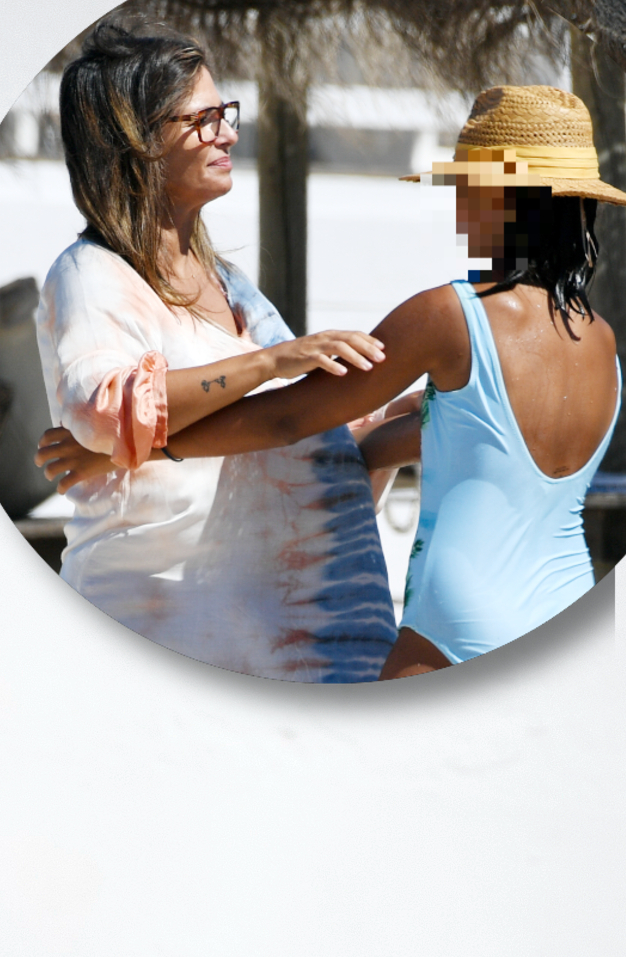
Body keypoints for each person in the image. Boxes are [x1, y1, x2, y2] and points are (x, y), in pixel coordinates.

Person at [41, 85, 623, 680]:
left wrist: (139, 449)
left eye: (464, 191)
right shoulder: (601, 342)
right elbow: (457, 455)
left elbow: (289, 417)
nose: (457, 210)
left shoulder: (448, 316)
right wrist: (394, 423)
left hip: (455, 623)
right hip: (567, 607)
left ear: (502, 200)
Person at [29, 18, 398, 682]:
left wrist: (404, 424)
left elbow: (300, 439)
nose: (228, 133)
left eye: (225, 113)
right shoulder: (91, 277)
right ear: (138, 142)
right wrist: (269, 363)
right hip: (153, 642)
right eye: (203, 120)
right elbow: (108, 415)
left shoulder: (230, 286)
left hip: (253, 648)